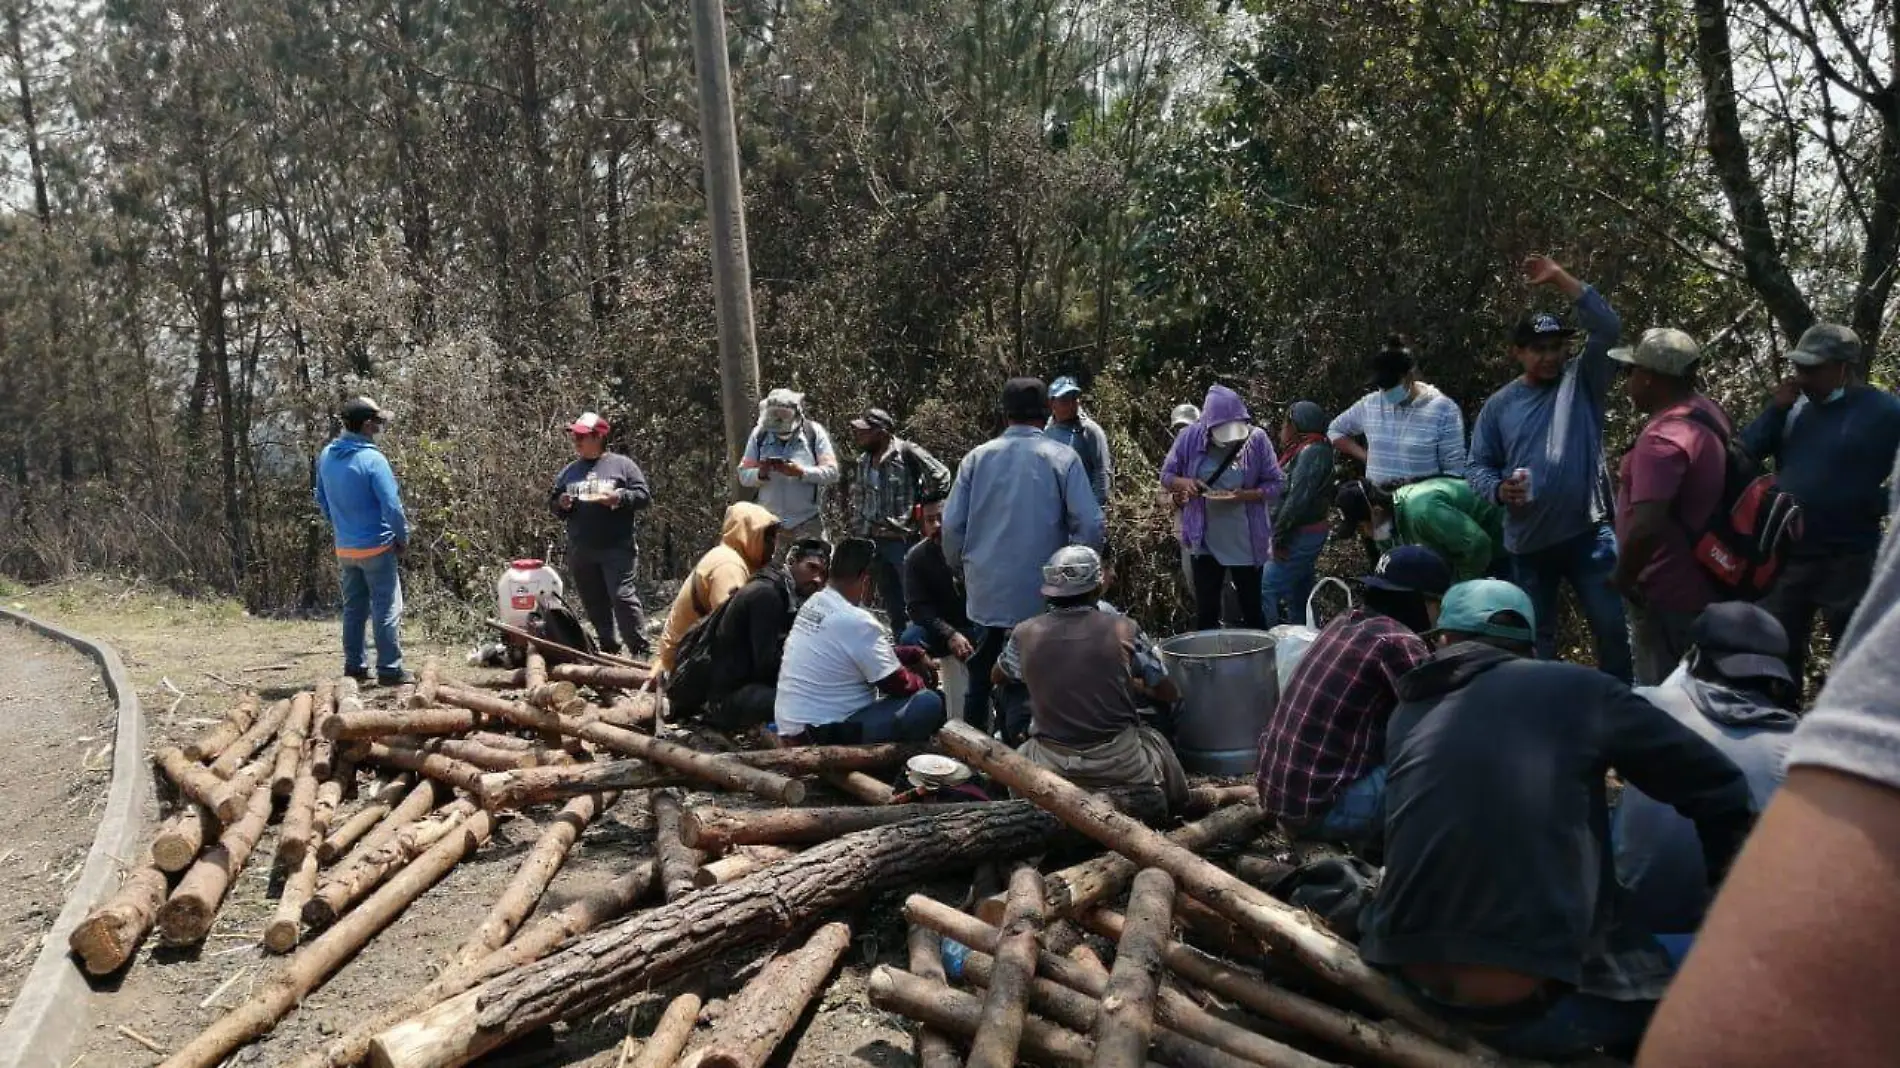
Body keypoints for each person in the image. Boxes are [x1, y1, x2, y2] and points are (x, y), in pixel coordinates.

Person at [1362, 579, 1754, 1060]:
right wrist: (1726, 903)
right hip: (1531, 1009)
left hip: (1409, 983)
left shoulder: (1409, 710)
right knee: (1741, 964)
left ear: (1443, 641)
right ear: (1529, 647)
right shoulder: (1582, 691)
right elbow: (1722, 788)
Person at [1635, 468, 1900, 1068]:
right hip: (1714, 963)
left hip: (1641, 941)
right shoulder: (1800, 758)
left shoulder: (1645, 707)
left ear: (1697, 657)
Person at [1468, 254, 1633, 680]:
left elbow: (1609, 329)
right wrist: (1499, 490)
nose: (1549, 357)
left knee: (1612, 630)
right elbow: (1477, 466)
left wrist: (1561, 278)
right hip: (1529, 545)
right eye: (1538, 350)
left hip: (1588, 536)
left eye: (1556, 348)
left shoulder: (1583, 381)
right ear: (1518, 353)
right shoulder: (1500, 406)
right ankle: (1546, 720)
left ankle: (1619, 714)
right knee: (1536, 642)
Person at [1614, 601, 1799, 936]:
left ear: (1695, 659)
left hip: (1634, 926)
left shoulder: (1646, 706)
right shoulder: (1796, 750)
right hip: (1726, 942)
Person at [1254, 546, 1451, 853]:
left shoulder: (1346, 620)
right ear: (1421, 601)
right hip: (1318, 810)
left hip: (1280, 795)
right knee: (1443, 765)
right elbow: (1440, 720)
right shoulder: (1398, 641)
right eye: (1437, 603)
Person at [1738, 323, 1900, 687]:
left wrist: (1877, 502)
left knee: (1855, 654)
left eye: (1812, 369)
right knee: (1774, 652)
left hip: (1849, 557)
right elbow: (1744, 453)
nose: (1802, 377)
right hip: (1787, 558)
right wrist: (1775, 410)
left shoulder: (1884, 412)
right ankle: (1780, 728)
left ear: (1844, 368)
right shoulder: (1793, 408)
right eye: (1799, 367)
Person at [943, 377, 1104, 731]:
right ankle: (1033, 756)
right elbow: (1090, 524)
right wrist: (1083, 578)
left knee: (981, 676)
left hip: (986, 591)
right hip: (1043, 593)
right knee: (1038, 675)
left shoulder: (976, 459)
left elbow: (951, 526)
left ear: (1005, 414)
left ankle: (973, 753)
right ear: (1046, 410)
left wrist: (962, 567)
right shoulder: (1062, 458)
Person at [997, 546, 1188, 808]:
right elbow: (1169, 691)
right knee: (1163, 716)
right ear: (1097, 588)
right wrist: (1137, 686)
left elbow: (998, 676)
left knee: (1007, 692)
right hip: (1121, 763)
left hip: (1051, 763)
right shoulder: (1124, 628)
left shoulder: (1024, 633)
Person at [1605, 329, 1734, 685]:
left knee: (1664, 694)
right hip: (1707, 581)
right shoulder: (1706, 412)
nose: (1627, 381)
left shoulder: (1662, 439)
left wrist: (1623, 577)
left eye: (1629, 372)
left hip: (1668, 592)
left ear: (1648, 376)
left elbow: (1647, 526)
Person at [774, 538, 947, 743]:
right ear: (865, 580)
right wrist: (923, 685)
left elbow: (855, 653)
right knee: (929, 703)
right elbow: (898, 683)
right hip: (822, 735)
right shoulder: (856, 620)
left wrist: (912, 654)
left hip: (791, 725)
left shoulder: (815, 603)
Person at [1161, 385, 1285, 631]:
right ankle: (1209, 663)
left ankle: (1257, 660)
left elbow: (1277, 483)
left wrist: (1246, 495)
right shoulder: (1189, 438)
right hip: (1204, 539)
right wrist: (1187, 483)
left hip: (1246, 539)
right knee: (1206, 611)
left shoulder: (1257, 439)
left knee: (1251, 609)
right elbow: (1167, 475)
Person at [314, 395, 412, 685]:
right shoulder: (373, 459)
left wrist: (341, 526)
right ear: (367, 425)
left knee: (354, 609)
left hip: (345, 548)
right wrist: (402, 537)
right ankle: (390, 669)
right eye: (378, 422)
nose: (381, 427)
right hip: (378, 547)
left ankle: (355, 666)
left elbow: (321, 497)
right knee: (386, 607)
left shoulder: (327, 454)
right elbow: (392, 507)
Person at [548, 411, 653, 656]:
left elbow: (643, 497)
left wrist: (619, 497)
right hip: (581, 549)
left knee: (622, 597)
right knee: (594, 602)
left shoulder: (622, 466)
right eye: (574, 435)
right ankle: (608, 649)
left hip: (617, 547)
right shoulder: (569, 472)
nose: (576, 440)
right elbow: (553, 503)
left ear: (598, 437)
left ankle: (640, 651)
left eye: (582, 436)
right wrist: (561, 503)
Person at [702, 539, 832, 731]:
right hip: (727, 700)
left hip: (745, 688)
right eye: (811, 568)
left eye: (822, 574)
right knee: (816, 703)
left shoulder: (781, 591)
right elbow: (767, 665)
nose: (817, 580)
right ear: (792, 560)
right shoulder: (767, 595)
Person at [846, 407, 952, 635]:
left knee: (914, 599)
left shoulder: (906, 452)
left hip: (902, 541)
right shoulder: (864, 460)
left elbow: (942, 475)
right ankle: (902, 651)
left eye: (865, 431)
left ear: (881, 432)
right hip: (873, 540)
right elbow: (860, 496)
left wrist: (927, 508)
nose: (859, 436)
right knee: (892, 603)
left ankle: (925, 649)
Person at [1327, 334, 1467, 490]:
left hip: (1421, 507)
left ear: (1408, 377)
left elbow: (1454, 471)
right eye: (1382, 386)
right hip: (1377, 506)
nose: (1386, 392)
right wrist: (1367, 456)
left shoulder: (1443, 409)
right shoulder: (1371, 404)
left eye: (1391, 385)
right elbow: (1335, 430)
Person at [654, 501, 780, 674]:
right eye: (766, 537)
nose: (773, 544)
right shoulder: (729, 566)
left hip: (693, 650)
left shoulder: (741, 561)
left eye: (774, 537)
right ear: (746, 534)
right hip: (685, 660)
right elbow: (732, 630)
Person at [1336, 477, 1503, 584]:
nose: (1363, 534)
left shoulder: (1423, 512)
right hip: (1467, 551)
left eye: (1361, 527)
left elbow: (1478, 545)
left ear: (1377, 511)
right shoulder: (1387, 531)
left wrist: (1457, 588)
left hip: (1502, 538)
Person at [1262, 401, 1334, 626]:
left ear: (1296, 425)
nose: (1282, 428)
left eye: (1286, 423)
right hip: (1299, 531)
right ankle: (1305, 644)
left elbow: (1298, 499)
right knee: (1299, 591)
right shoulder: (1305, 450)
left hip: (1299, 533)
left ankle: (1265, 650)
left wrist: (1279, 537)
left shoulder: (1313, 451)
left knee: (1265, 588)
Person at [739, 388, 839, 542]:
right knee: (767, 566)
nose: (779, 419)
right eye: (774, 414)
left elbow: (832, 472)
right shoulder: (759, 434)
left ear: (797, 414)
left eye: (784, 414)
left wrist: (801, 472)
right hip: (769, 524)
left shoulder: (814, 433)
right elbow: (743, 475)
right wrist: (761, 473)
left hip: (806, 522)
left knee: (812, 563)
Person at [1045, 375, 1113, 506]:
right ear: (1051, 403)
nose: (1071, 405)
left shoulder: (1090, 431)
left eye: (1074, 399)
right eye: (1064, 400)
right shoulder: (1046, 431)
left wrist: (1095, 508)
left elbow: (1102, 471)